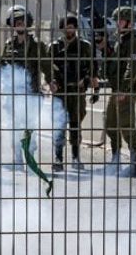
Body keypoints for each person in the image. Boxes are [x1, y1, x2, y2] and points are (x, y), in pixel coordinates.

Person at [0, 5, 57, 169]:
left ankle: (29, 156)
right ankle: (17, 158)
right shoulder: (9, 44)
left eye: (22, 21)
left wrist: (51, 81)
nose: (19, 24)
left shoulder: (37, 44)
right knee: (14, 127)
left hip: (31, 92)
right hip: (13, 94)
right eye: (16, 22)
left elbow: (46, 65)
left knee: (30, 127)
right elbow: (2, 65)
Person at [96, 6, 136, 177]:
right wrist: (105, 49)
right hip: (117, 88)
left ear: (130, 22)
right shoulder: (120, 40)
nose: (118, 23)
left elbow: (132, 67)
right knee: (110, 123)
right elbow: (114, 63)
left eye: (121, 21)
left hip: (126, 89)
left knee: (126, 125)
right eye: (117, 20)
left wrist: (124, 89)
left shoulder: (134, 42)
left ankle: (135, 163)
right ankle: (116, 159)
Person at [48, 14, 98, 171]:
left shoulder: (84, 47)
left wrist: (90, 84)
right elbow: (47, 67)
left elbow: (92, 68)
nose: (69, 30)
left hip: (77, 92)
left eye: (71, 27)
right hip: (60, 93)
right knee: (59, 125)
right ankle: (58, 158)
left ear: (75, 28)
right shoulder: (54, 47)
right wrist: (51, 81)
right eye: (66, 27)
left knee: (75, 125)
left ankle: (76, 157)